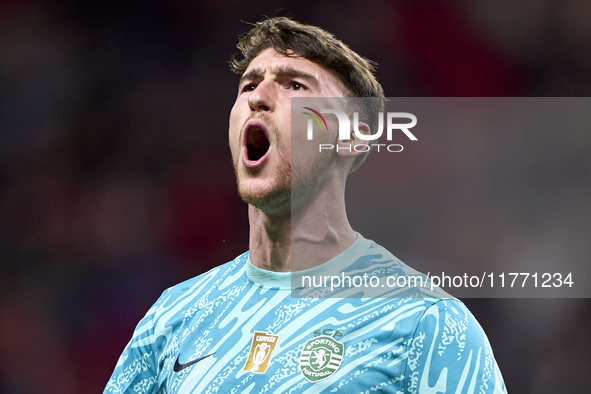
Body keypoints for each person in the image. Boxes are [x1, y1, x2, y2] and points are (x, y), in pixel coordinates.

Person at [104, 17, 507, 393]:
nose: (258, 97)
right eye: (248, 86)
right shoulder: (174, 317)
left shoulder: (424, 321)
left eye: (295, 86)